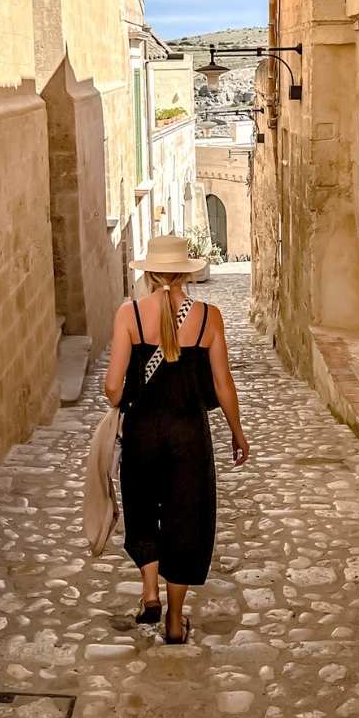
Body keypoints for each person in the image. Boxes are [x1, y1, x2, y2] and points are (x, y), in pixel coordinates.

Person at [103, 233, 250, 644]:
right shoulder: (208, 318)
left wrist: (115, 392)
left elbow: (114, 387)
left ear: (148, 273)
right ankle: (174, 620)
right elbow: (223, 384)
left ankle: (149, 591)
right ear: (185, 274)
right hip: (189, 435)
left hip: (142, 433)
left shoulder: (128, 315)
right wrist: (237, 433)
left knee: (142, 506)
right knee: (187, 519)